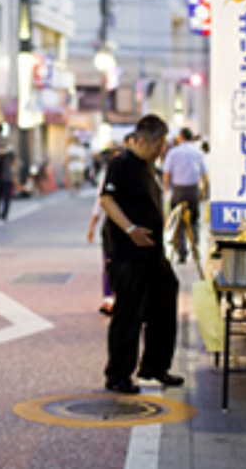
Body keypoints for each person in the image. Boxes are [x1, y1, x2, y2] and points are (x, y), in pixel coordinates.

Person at [99, 115, 182, 394]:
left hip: (152, 254)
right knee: (129, 313)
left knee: (166, 299)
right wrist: (131, 229)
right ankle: (118, 374)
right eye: (160, 144)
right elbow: (106, 200)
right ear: (147, 141)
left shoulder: (150, 168)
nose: (163, 149)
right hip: (128, 254)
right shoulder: (121, 164)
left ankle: (154, 368)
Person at [87, 136, 132, 316]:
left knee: (116, 263)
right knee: (111, 263)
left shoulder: (133, 174)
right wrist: (91, 226)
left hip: (123, 227)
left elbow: (100, 202)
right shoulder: (111, 175)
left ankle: (115, 299)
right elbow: (100, 203)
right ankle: (110, 299)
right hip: (115, 227)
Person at [162, 128, 208, 264]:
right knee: (194, 221)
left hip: (178, 190)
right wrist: (204, 191)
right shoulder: (198, 152)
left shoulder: (173, 152)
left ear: (181, 137)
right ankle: (195, 249)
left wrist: (166, 189)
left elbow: (166, 173)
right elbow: (204, 174)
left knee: (179, 222)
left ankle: (181, 252)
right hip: (193, 189)